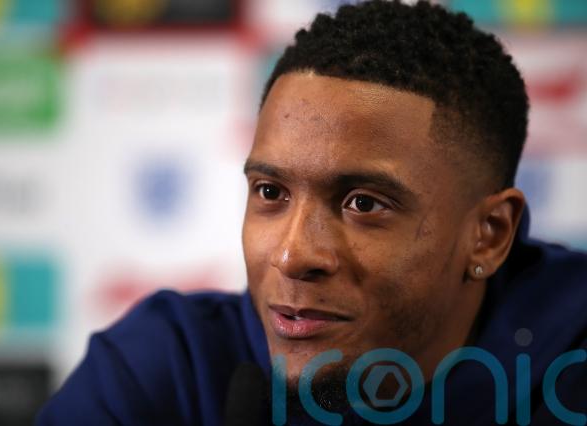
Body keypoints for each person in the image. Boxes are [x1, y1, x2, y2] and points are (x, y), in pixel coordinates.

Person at [36, 1, 587, 424]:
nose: (292, 254)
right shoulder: (167, 366)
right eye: (271, 192)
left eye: (364, 204)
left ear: (488, 235)